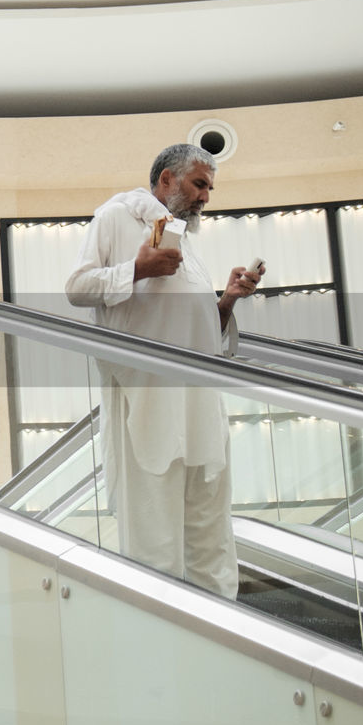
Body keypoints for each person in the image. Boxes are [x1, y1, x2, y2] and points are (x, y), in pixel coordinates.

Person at [65, 143, 263, 599]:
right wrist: (135, 269)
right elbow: (76, 287)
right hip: (149, 404)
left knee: (211, 544)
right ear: (167, 180)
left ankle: (223, 645)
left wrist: (228, 298)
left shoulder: (186, 244)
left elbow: (198, 337)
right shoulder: (116, 217)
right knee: (156, 548)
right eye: (199, 184)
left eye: (210, 188)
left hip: (200, 408)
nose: (206, 197)